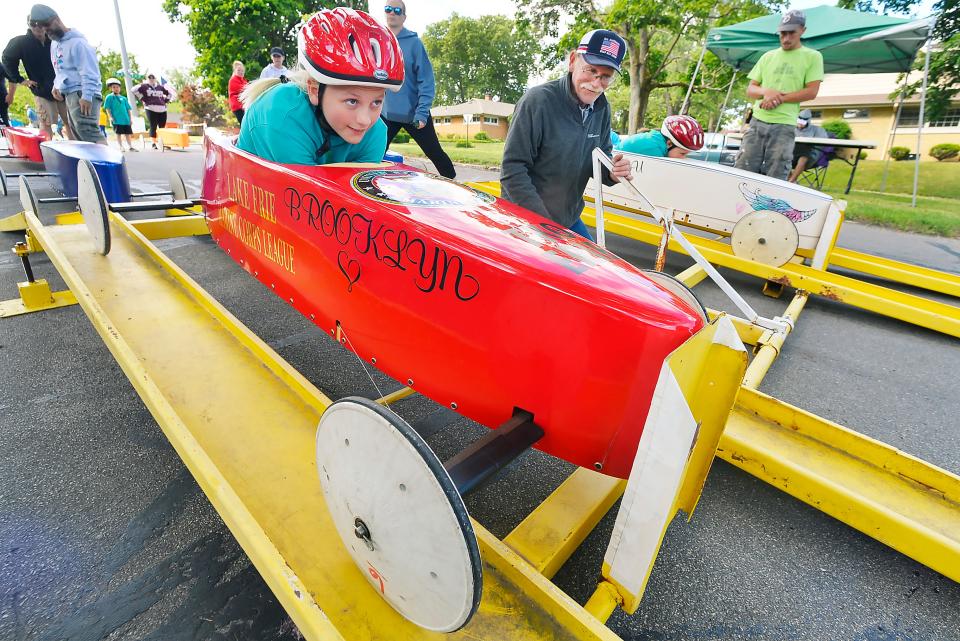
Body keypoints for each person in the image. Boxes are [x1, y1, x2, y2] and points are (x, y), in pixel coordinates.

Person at [500, 29, 633, 240]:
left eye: (605, 77)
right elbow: (512, 169)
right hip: (524, 217)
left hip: (567, 219)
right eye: (590, 70)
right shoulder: (538, 101)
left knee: (593, 270)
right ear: (573, 61)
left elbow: (599, 157)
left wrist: (612, 173)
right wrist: (544, 226)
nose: (596, 84)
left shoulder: (601, 108)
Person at [237, 8, 402, 166]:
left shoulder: (376, 134)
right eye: (352, 101)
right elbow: (303, 192)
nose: (365, 120)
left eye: (376, 102)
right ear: (315, 90)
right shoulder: (282, 115)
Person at [734, 9, 823, 180]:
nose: (786, 38)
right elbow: (751, 89)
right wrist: (766, 92)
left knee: (777, 171)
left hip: (784, 124)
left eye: (791, 33)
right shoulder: (768, 56)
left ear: (802, 31)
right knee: (743, 168)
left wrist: (777, 98)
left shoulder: (813, 57)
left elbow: (812, 91)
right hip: (757, 121)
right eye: (783, 33)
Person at [380, 0, 456, 179]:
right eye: (388, 9)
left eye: (397, 10)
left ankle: (458, 185)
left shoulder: (414, 43)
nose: (392, 12)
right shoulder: (381, 41)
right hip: (387, 114)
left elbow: (426, 81)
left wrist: (422, 113)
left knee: (434, 152)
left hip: (414, 114)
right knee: (373, 153)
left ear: (404, 17)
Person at [3, 7, 73, 139]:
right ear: (29, 24)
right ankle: (44, 156)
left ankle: (77, 152)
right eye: (33, 23)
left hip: (64, 88)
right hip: (41, 90)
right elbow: (7, 59)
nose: (37, 27)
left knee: (70, 123)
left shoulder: (54, 38)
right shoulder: (20, 42)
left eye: (40, 23)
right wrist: (20, 79)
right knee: (46, 124)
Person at [42, 5, 105, 144]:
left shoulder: (78, 43)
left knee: (88, 132)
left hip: (82, 92)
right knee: (79, 134)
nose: (47, 31)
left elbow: (90, 71)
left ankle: (108, 165)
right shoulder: (54, 44)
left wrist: (87, 95)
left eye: (48, 26)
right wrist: (56, 84)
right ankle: (90, 165)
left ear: (57, 20)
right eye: (44, 29)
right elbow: (60, 68)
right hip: (70, 94)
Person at [614, 115, 705, 158]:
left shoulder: (657, 141)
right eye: (682, 154)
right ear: (669, 143)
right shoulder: (653, 148)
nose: (683, 158)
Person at [133, 73, 177, 149]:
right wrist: (142, 98)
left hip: (162, 109)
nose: (151, 79)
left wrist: (166, 100)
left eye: (153, 78)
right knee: (153, 126)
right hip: (150, 108)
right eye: (150, 78)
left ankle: (162, 142)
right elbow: (133, 90)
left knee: (162, 127)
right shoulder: (144, 86)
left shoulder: (160, 87)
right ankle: (153, 143)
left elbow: (170, 93)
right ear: (147, 79)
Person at [787, 109, 831, 183]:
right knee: (781, 156)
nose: (801, 122)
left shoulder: (818, 130)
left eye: (804, 120)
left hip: (809, 157)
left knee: (804, 155)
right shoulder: (791, 128)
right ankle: (790, 179)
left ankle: (791, 181)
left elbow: (823, 143)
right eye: (799, 119)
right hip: (791, 155)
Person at [102, 77, 136, 152]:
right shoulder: (109, 97)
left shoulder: (124, 98)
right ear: (111, 88)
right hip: (117, 119)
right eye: (114, 87)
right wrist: (110, 117)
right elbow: (107, 108)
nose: (116, 88)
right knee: (118, 133)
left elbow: (128, 109)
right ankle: (121, 146)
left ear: (120, 88)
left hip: (125, 119)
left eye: (117, 87)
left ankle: (130, 146)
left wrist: (130, 119)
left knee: (128, 133)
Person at [228, 60, 247, 125]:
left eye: (242, 71)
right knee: (244, 123)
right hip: (237, 106)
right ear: (235, 71)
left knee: (246, 123)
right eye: (238, 70)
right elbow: (242, 89)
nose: (241, 72)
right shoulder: (233, 80)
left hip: (243, 106)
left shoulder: (244, 80)